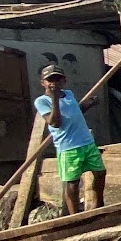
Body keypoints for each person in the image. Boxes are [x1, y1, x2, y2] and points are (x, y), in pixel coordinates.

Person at [34, 64, 106, 215]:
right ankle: (74, 217)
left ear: (63, 81)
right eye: (50, 80)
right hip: (68, 147)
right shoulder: (42, 101)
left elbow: (75, 112)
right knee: (72, 183)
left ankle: (98, 205)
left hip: (86, 141)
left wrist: (89, 104)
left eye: (57, 79)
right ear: (43, 83)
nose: (54, 83)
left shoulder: (69, 94)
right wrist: (54, 98)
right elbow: (55, 122)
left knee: (100, 173)